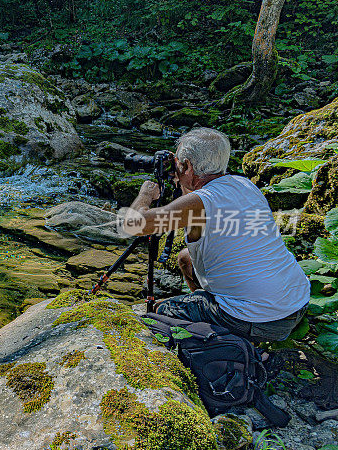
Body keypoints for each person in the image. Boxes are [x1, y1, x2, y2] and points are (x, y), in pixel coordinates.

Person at [120, 127, 310, 342]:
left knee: (160, 311)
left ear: (188, 166)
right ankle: (212, 311)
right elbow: (200, 222)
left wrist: (146, 193)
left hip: (257, 321)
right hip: (296, 305)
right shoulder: (244, 185)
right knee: (185, 258)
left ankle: (225, 338)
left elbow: (134, 225)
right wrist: (184, 182)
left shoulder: (199, 203)